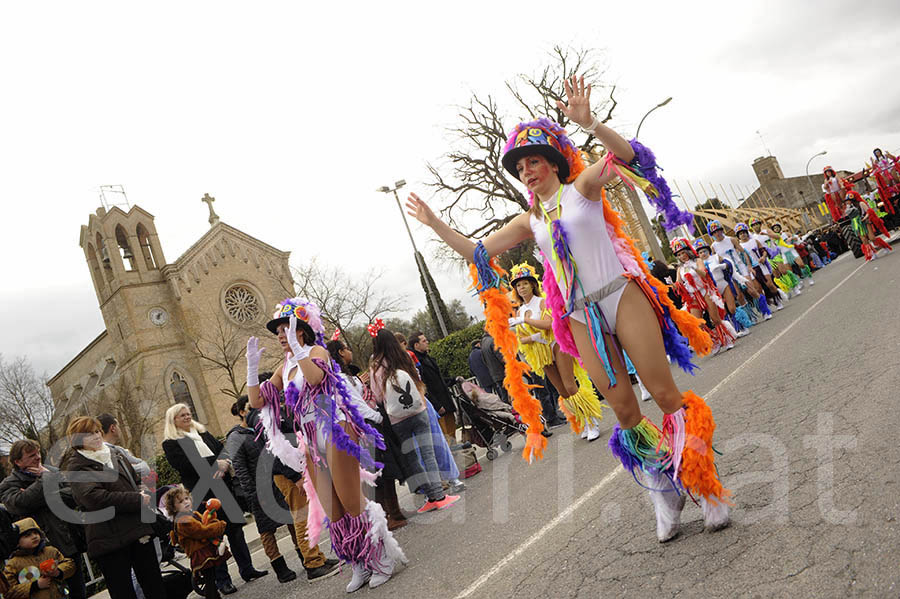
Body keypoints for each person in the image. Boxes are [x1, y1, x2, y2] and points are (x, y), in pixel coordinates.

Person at [405, 75, 730, 542]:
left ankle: (705, 483)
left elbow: (627, 158)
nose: (527, 172)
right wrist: (436, 223)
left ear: (553, 162)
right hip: (580, 316)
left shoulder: (583, 188)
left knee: (662, 394)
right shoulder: (529, 219)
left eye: (533, 161)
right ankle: (664, 488)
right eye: (520, 168)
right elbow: (476, 252)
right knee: (622, 409)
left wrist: (590, 121)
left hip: (621, 295)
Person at [247, 297, 407, 593]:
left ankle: (381, 556)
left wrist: (298, 351)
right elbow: (258, 401)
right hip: (309, 438)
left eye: (286, 327)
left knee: (351, 500)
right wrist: (251, 369)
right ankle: (358, 561)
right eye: (278, 330)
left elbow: (316, 377)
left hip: (335, 428)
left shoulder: (316, 351)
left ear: (301, 329)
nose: (280, 334)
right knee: (332, 508)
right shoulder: (285, 365)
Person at [225, 396, 338, 584]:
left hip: (292, 470)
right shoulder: (262, 418)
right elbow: (275, 450)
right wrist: (294, 476)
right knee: (301, 517)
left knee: (306, 516)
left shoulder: (269, 412)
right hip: (286, 473)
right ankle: (312, 564)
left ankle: (318, 556)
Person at [161, 404, 267, 595]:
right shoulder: (171, 443)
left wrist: (225, 463)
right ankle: (222, 580)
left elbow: (221, 450)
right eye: (182, 415)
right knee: (211, 537)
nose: (187, 417)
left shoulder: (201, 432)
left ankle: (247, 569)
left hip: (222, 487)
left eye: (188, 413)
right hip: (201, 493)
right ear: (173, 420)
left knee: (236, 532)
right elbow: (185, 465)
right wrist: (214, 464)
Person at [61, 416, 167, 599]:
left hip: (137, 529)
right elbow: (94, 498)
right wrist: (136, 499)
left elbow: (134, 481)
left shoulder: (115, 455)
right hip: (108, 538)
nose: (95, 436)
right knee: (122, 592)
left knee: (155, 586)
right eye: (88, 434)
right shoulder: (76, 467)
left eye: (96, 431)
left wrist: (143, 491)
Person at [508, 262, 605, 440]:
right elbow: (520, 339)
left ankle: (592, 421)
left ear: (532, 285)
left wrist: (526, 321)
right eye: (518, 285)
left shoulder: (542, 301)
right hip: (542, 354)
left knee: (570, 384)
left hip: (557, 345)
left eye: (524, 284)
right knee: (562, 391)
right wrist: (533, 337)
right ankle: (582, 421)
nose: (521, 288)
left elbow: (548, 324)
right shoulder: (521, 311)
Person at [327, 338, 417, 531]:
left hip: (372, 420)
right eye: (347, 348)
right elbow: (354, 404)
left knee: (387, 468)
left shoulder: (348, 375)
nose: (350, 351)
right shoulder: (340, 379)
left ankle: (395, 510)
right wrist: (376, 417)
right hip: (365, 425)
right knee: (377, 472)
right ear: (341, 353)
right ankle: (386, 517)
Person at [369, 328, 462, 513]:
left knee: (412, 458)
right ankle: (440, 496)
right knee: (428, 453)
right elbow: (419, 382)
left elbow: (377, 396)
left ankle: (429, 496)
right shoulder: (404, 359)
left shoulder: (376, 368)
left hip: (397, 418)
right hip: (419, 412)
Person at [0, 439, 87, 599]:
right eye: (32, 455)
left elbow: (74, 495)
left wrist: (44, 487)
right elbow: (21, 504)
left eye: (38, 453)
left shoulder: (51, 471)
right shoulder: (8, 484)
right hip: (35, 554)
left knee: (78, 592)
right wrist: (45, 480)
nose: (38, 458)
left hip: (66, 545)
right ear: (18, 461)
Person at [672, 238, 736, 354]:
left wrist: (695, 269)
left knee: (715, 319)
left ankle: (726, 339)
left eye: (683, 252)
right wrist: (672, 285)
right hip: (693, 296)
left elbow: (704, 273)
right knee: (698, 324)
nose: (682, 256)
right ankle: (714, 341)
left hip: (705, 291)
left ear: (688, 251)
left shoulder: (697, 261)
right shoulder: (680, 269)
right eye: (679, 254)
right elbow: (679, 284)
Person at [164, 485, 229, 599]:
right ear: (174, 508)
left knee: (211, 577)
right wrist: (218, 526)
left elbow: (204, 523)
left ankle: (215, 596)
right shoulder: (183, 520)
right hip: (199, 552)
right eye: (180, 501)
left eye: (186, 498)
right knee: (209, 579)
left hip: (205, 549)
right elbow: (201, 531)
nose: (185, 502)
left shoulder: (192, 514)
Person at [2, 517, 75, 599]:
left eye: (36, 533)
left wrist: (58, 572)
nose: (34, 537)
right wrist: (35, 586)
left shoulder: (51, 551)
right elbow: (9, 591)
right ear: (17, 542)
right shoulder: (13, 563)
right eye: (27, 535)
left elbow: (70, 564)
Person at [408, 332, 458, 443]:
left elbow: (437, 379)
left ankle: (456, 451)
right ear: (416, 345)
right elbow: (424, 386)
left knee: (451, 430)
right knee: (446, 435)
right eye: (424, 341)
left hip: (445, 400)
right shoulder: (418, 363)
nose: (427, 342)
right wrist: (437, 405)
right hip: (438, 404)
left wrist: (452, 380)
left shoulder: (428, 358)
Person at [97, 414, 151, 480]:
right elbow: (144, 469)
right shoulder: (106, 453)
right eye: (118, 426)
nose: (120, 429)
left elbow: (142, 465)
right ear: (113, 428)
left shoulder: (119, 449)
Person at [479, 334, 508, 403]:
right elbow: (501, 357)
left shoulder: (483, 344)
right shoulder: (493, 341)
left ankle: (508, 408)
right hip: (502, 372)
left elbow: (484, 361)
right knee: (508, 393)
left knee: (503, 393)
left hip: (494, 373)